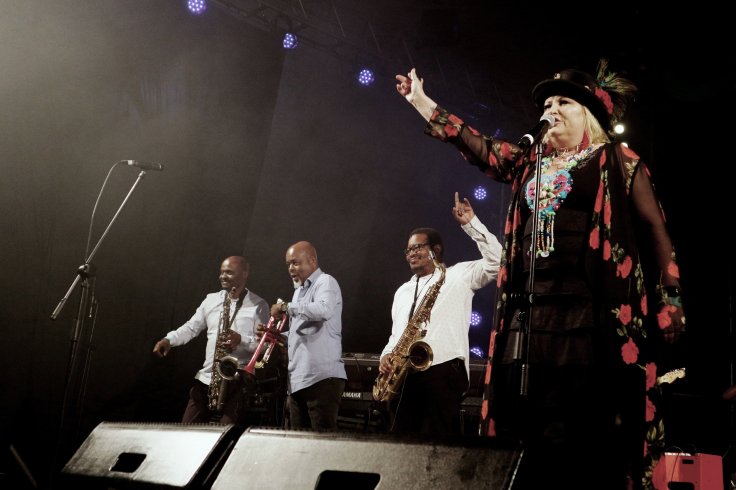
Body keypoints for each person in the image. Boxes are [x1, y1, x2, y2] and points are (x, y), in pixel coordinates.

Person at [395, 62, 685, 488]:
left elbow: (656, 230)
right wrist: (421, 101)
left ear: (588, 114)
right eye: (547, 104)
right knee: (527, 419)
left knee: (582, 422)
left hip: (586, 315)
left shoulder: (616, 160)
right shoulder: (530, 162)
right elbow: (477, 145)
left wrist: (670, 299)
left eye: (563, 102)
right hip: (529, 313)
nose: (552, 109)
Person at [378, 192, 502, 436]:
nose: (411, 253)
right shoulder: (402, 291)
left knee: (435, 444)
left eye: (417, 247)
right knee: (401, 443)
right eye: (408, 250)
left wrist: (471, 224)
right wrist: (386, 355)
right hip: (407, 374)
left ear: (436, 249)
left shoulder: (459, 275)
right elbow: (397, 335)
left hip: (444, 370)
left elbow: (498, 261)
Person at [152, 256, 271, 425]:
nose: (222, 276)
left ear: (245, 274)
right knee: (185, 430)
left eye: (229, 272)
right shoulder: (211, 300)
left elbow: (265, 346)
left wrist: (241, 340)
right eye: (221, 272)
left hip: (238, 380)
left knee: (225, 434)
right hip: (208, 377)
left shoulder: (259, 305)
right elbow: (191, 327)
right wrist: (168, 340)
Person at [262, 241, 347, 430]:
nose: (291, 269)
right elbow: (299, 332)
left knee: (321, 444)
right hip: (298, 380)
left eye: (295, 262)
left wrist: (285, 307)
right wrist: (276, 335)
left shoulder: (325, 281)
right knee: (299, 444)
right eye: (288, 264)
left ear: (312, 261)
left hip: (321, 378)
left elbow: (324, 310)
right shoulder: (299, 293)